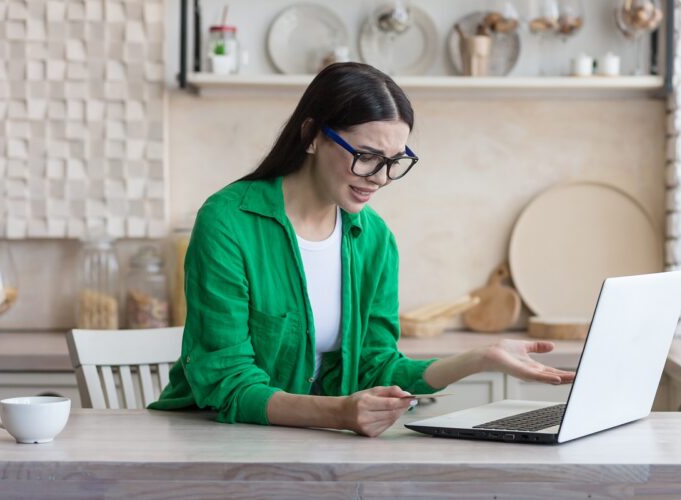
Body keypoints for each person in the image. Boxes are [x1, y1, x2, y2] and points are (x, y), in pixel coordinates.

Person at [149, 62, 574, 437]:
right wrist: (339, 411)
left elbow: (376, 366)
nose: (379, 178)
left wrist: (481, 359)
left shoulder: (374, 240)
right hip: (216, 443)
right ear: (312, 135)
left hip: (313, 445)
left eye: (394, 161)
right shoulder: (228, 222)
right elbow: (228, 381)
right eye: (366, 156)